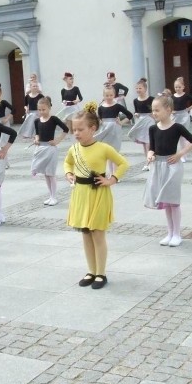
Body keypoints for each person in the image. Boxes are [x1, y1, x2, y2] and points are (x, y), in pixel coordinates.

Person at [64, 104, 129, 290]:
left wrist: (112, 179)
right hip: (80, 195)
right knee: (86, 234)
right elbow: (67, 163)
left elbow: (123, 163)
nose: (76, 133)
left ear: (93, 129)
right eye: (74, 129)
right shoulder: (74, 149)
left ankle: (101, 273)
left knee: (98, 234)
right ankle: (91, 271)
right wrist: (68, 173)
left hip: (99, 194)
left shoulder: (103, 148)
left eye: (80, 129)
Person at [144, 95, 192, 247]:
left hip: (173, 166)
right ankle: (169, 232)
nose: (154, 113)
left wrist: (179, 154)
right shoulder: (153, 128)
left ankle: (177, 234)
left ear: (168, 110)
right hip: (159, 166)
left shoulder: (177, 127)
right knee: (165, 201)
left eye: (157, 110)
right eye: (153, 110)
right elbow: (152, 148)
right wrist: (150, 155)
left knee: (173, 201)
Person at [31, 96, 69, 206]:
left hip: (51, 149)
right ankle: (50, 195)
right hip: (41, 149)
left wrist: (57, 140)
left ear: (49, 108)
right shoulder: (37, 121)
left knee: (51, 173)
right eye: (39, 110)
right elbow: (37, 134)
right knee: (46, 174)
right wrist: (36, 139)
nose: (41, 112)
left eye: (44, 109)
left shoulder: (53, 119)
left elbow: (65, 129)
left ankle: (54, 197)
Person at [94, 85, 133, 175]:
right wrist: (99, 122)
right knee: (108, 151)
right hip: (105, 130)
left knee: (114, 151)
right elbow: (99, 118)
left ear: (114, 95)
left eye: (111, 95)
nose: (109, 97)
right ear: (103, 96)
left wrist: (122, 122)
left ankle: (116, 173)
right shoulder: (100, 107)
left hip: (115, 129)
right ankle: (110, 172)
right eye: (107, 95)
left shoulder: (117, 106)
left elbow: (130, 115)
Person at [127, 78, 154, 167]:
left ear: (145, 89)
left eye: (140, 88)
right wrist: (136, 114)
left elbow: (155, 109)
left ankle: (150, 161)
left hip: (149, 121)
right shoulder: (135, 100)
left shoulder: (151, 99)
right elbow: (136, 111)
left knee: (148, 141)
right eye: (137, 88)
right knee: (144, 142)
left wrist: (153, 114)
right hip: (140, 121)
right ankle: (147, 160)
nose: (138, 90)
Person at [171, 77, 192, 162]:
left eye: (179, 87)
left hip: (184, 116)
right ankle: (178, 153)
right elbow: (168, 105)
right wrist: (171, 111)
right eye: (176, 87)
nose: (177, 89)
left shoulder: (186, 95)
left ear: (183, 87)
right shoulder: (172, 97)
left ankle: (184, 154)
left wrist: (188, 109)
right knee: (176, 136)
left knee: (183, 136)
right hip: (175, 117)